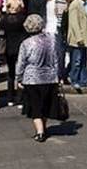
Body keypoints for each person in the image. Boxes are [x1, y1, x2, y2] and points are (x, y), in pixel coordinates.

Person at [16, 14, 61, 143]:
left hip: (32, 78)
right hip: (50, 77)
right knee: (46, 105)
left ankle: (40, 132)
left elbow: (21, 63)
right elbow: (57, 59)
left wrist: (18, 78)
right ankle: (44, 128)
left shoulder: (26, 43)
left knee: (35, 106)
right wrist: (58, 75)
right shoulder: (52, 40)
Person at [0, 6, 28, 107]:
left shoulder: (4, 20)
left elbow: (1, 34)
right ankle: (20, 99)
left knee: (11, 73)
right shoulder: (23, 19)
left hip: (9, 48)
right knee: (21, 74)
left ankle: (10, 98)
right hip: (21, 48)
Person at [67, 0, 87, 90]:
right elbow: (74, 23)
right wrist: (79, 37)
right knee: (77, 61)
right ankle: (74, 80)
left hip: (85, 37)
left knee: (83, 60)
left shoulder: (84, 5)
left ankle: (84, 81)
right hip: (77, 39)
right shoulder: (75, 5)